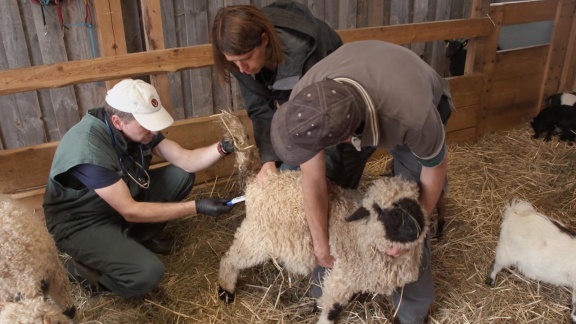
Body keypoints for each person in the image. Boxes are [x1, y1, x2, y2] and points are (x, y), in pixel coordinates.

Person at [270, 40, 454, 324]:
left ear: (342, 139)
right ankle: (328, 292)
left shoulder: (414, 118)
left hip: (406, 113)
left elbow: (436, 167)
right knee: (335, 198)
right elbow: (314, 181)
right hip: (355, 108)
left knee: (404, 221)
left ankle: (410, 311)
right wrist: (321, 246)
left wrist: (413, 230)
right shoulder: (307, 102)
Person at [43, 79, 236, 298]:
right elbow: (130, 210)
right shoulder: (88, 149)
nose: (154, 131)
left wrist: (223, 148)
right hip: (81, 221)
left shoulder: (137, 130)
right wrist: (197, 207)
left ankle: (137, 239)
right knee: (147, 273)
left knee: (180, 175)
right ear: (117, 121)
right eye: (146, 124)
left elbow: (186, 159)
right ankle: (82, 273)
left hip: (115, 200)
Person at [211, 0, 343, 182]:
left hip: (338, 109)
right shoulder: (241, 61)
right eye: (234, 62)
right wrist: (269, 160)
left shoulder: (306, 49)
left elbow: (324, 114)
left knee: (333, 181)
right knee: (285, 174)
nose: (241, 68)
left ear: (264, 40)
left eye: (246, 58)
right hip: (299, 107)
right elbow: (259, 109)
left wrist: (323, 173)